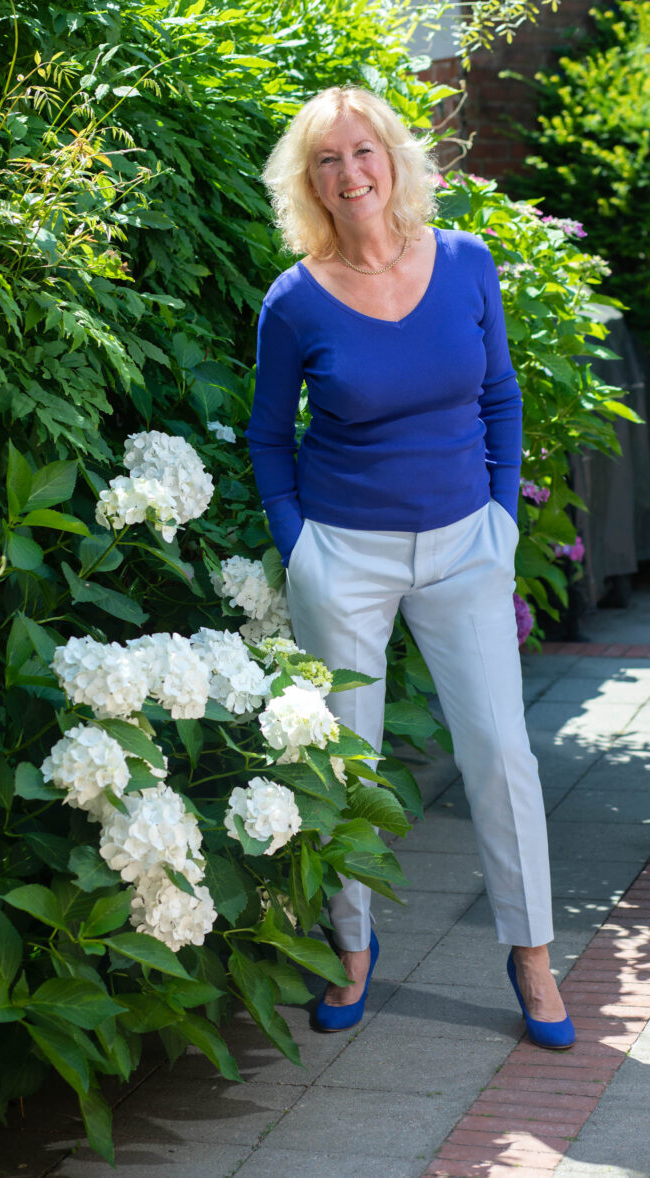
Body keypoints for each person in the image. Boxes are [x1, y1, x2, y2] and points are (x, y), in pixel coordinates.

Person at [246, 85, 574, 1049]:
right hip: (344, 556)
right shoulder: (294, 300)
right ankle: (351, 947)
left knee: (502, 754)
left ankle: (533, 955)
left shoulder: (466, 262)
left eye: (363, 151)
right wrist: (302, 549)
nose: (350, 173)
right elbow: (269, 437)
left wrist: (502, 517)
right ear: (309, 184)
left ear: (394, 158)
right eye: (327, 161)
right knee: (345, 763)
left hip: (468, 545)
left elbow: (501, 394)